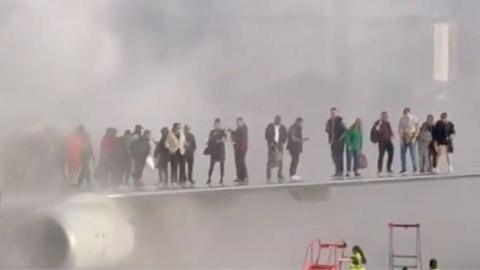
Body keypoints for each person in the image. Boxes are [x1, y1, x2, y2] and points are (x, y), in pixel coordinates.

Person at [265, 115, 288, 182]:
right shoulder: (270, 126)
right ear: (274, 120)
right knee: (270, 159)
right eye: (276, 119)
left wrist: (282, 142)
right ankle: (268, 175)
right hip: (272, 144)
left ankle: (279, 174)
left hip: (279, 145)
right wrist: (270, 142)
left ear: (280, 121)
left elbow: (285, 136)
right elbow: (266, 135)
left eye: (279, 120)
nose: (277, 121)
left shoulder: (283, 127)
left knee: (280, 160)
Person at [325, 108, 347, 177]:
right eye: (331, 113)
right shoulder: (329, 121)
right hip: (333, 141)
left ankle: (340, 171)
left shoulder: (340, 120)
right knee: (334, 156)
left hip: (340, 141)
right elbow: (327, 130)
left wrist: (341, 138)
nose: (332, 114)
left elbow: (346, 130)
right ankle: (337, 170)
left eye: (334, 113)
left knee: (339, 156)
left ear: (336, 113)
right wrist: (327, 129)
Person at [398, 108, 420, 174]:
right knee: (402, 154)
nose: (406, 114)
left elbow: (417, 128)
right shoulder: (401, 119)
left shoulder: (414, 119)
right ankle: (404, 169)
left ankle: (415, 168)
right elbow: (400, 128)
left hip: (411, 136)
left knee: (413, 153)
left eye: (407, 113)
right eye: (404, 113)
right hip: (404, 136)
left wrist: (415, 137)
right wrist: (401, 137)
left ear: (409, 112)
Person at [206, 118, 227, 185]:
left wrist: (220, 140)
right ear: (214, 124)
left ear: (219, 124)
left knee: (222, 165)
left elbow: (225, 139)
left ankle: (221, 179)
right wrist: (209, 143)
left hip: (221, 151)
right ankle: (209, 178)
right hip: (214, 151)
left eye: (218, 124)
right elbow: (210, 139)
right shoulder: (212, 132)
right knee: (211, 166)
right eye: (215, 124)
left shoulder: (222, 131)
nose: (216, 125)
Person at [230, 117, 249, 184]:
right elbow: (235, 133)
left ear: (241, 122)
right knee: (238, 162)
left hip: (241, 148)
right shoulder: (240, 128)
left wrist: (241, 148)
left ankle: (244, 177)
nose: (237, 123)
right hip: (238, 148)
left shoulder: (243, 129)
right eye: (237, 122)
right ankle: (240, 177)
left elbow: (243, 140)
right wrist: (231, 131)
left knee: (241, 162)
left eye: (238, 122)